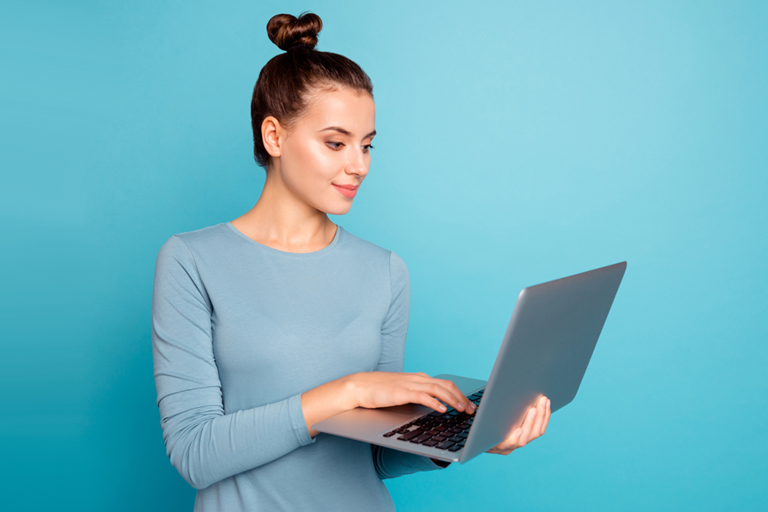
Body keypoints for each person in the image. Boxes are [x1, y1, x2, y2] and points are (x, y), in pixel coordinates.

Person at [151, 12, 551, 511]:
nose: (357, 164)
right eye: (335, 143)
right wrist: (349, 391)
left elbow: (375, 457)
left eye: (367, 145)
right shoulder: (192, 261)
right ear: (274, 137)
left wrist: (468, 440)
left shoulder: (385, 271)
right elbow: (194, 453)